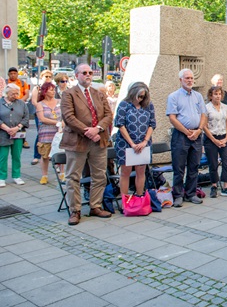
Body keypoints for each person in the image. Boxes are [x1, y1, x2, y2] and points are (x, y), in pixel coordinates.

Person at [61, 63, 113, 226]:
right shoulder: (69, 94)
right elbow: (69, 117)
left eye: (90, 72)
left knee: (99, 176)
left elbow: (108, 115)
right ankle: (75, 210)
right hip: (78, 142)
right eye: (84, 73)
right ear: (76, 75)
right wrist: (87, 131)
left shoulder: (98, 94)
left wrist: (97, 129)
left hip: (99, 141)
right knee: (73, 177)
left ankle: (95, 206)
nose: (88, 75)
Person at [167, 68, 208, 206]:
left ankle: (191, 193)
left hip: (196, 134)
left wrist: (199, 130)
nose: (190, 80)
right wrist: (186, 131)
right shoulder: (173, 96)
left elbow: (203, 114)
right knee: (179, 167)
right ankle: (177, 195)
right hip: (181, 136)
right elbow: (172, 118)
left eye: (191, 78)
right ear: (180, 80)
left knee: (194, 166)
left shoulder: (198, 96)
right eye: (187, 78)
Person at [113, 82, 156, 198]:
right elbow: (120, 124)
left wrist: (145, 142)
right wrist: (132, 143)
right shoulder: (124, 104)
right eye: (138, 96)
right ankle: (124, 200)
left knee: (141, 171)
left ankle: (139, 197)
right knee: (125, 172)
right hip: (125, 144)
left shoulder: (148, 105)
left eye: (143, 97)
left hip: (143, 143)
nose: (140, 99)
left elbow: (152, 124)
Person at [203, 86, 227, 198]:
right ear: (211, 96)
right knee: (213, 163)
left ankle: (226, 186)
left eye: (220, 94)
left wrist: (226, 138)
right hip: (211, 137)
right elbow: (204, 126)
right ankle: (214, 185)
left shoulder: (225, 107)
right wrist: (214, 140)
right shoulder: (206, 108)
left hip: (223, 136)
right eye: (215, 94)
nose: (218, 96)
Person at [0, 84, 29, 187]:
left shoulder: (21, 103)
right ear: (6, 93)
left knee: (16, 155)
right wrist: (7, 129)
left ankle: (16, 176)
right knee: (2, 156)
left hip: (18, 133)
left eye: (17, 93)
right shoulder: (0, 102)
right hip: (3, 134)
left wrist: (17, 127)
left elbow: (26, 117)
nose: (15, 95)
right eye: (13, 93)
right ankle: (1, 177)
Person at [36, 82, 63, 184]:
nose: (53, 91)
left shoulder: (60, 101)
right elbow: (42, 118)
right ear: (45, 91)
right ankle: (44, 175)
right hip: (46, 132)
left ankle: (62, 173)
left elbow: (65, 114)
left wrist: (63, 123)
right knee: (45, 154)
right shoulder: (40, 104)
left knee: (61, 152)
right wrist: (57, 122)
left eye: (54, 90)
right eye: (51, 90)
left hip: (59, 131)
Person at [30, 69, 54, 165]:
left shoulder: (52, 88)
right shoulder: (37, 88)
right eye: (46, 76)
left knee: (52, 134)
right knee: (40, 133)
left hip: (51, 113)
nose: (48, 78)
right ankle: (37, 156)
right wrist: (42, 108)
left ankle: (51, 154)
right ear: (41, 77)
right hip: (41, 113)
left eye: (49, 76)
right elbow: (34, 101)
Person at [7, 67, 30, 148]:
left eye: (14, 73)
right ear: (8, 75)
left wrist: (19, 101)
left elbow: (27, 94)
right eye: (11, 74)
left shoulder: (23, 83)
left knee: (22, 122)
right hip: (8, 104)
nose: (13, 75)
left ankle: (24, 140)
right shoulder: (6, 83)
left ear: (17, 74)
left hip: (20, 104)